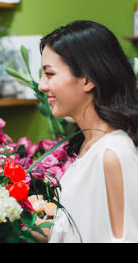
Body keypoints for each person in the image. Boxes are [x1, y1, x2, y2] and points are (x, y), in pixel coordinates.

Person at [37, 20, 138, 242]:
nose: (41, 86)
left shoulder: (113, 153)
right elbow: (75, 228)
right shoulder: (88, 146)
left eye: (50, 74)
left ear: (87, 79)